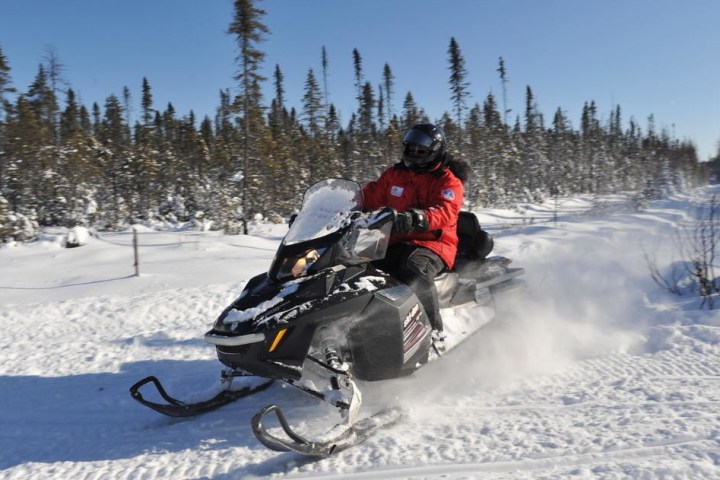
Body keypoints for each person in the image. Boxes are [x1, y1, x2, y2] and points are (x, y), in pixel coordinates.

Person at [362, 123, 468, 332]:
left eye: (422, 151)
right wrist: (330, 208)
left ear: (435, 151)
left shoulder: (447, 181)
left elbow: (446, 210)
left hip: (433, 243)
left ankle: (433, 332)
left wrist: (419, 217)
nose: (415, 154)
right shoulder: (394, 174)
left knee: (413, 269)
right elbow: (369, 195)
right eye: (412, 149)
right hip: (392, 240)